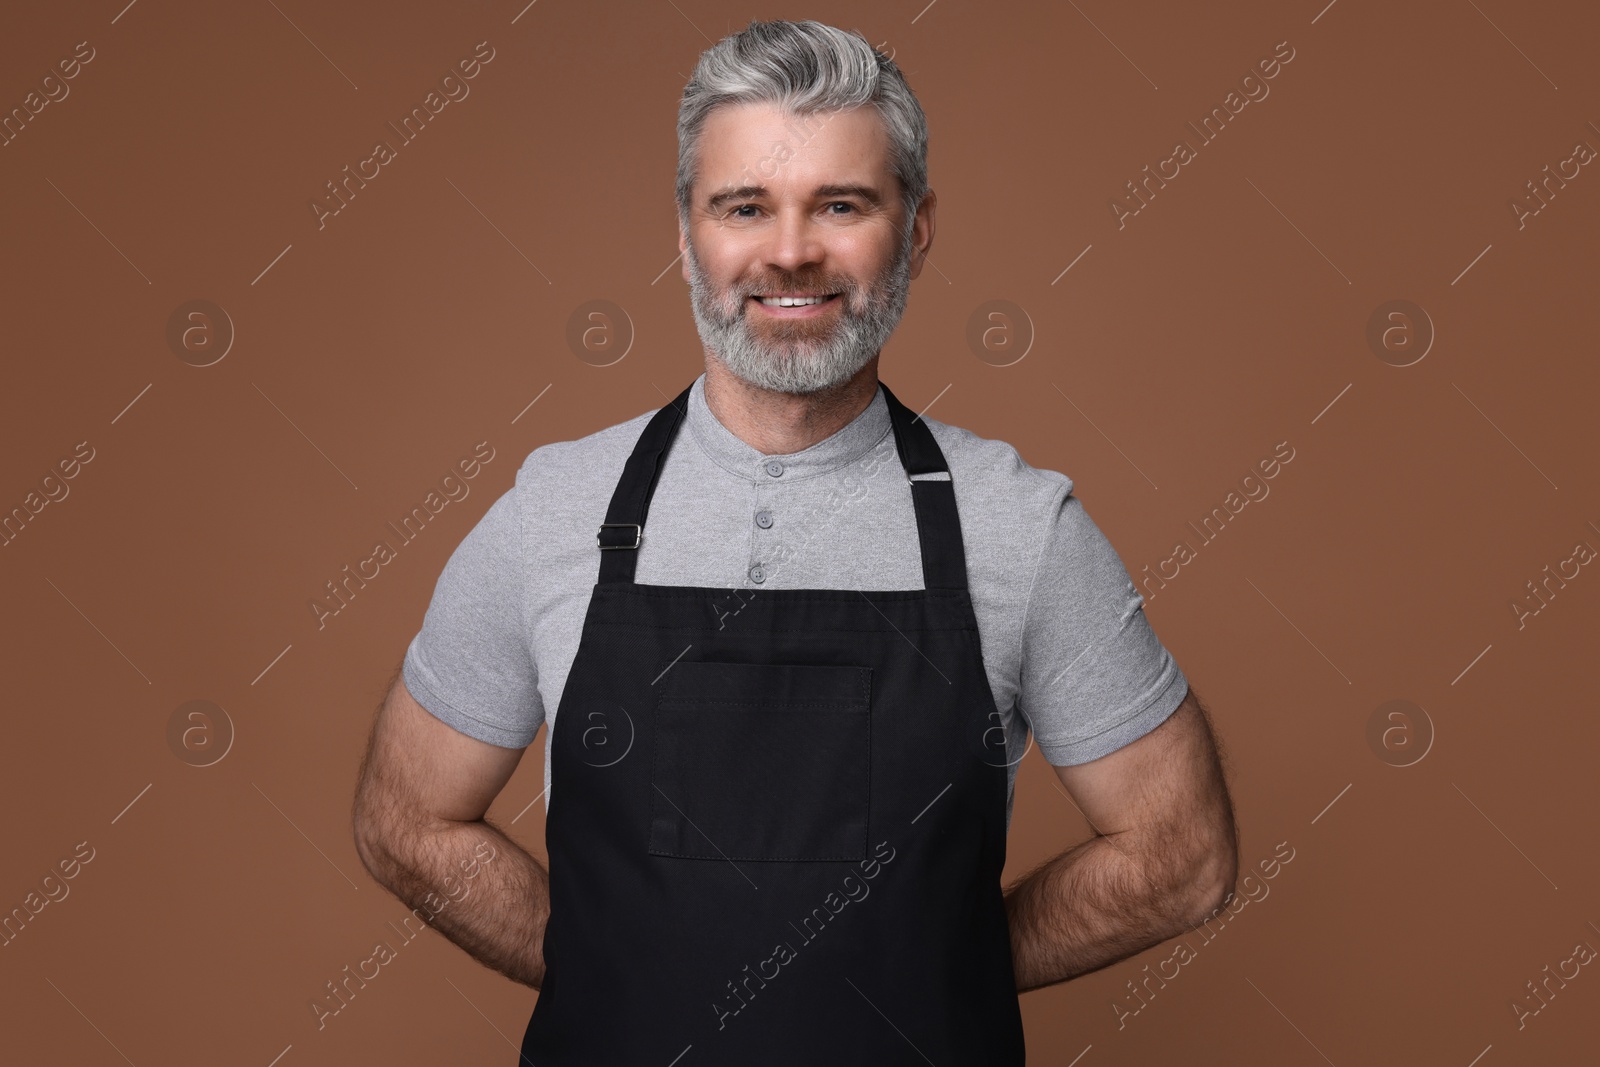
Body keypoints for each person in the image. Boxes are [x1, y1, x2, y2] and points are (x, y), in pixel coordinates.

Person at [352, 18, 1237, 1064]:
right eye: (744, 207)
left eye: (841, 204)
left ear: (913, 229)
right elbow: (404, 819)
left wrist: (940, 959)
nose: (789, 250)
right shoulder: (557, 510)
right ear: (687, 235)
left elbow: (1180, 856)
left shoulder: (1019, 527)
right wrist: (616, 960)